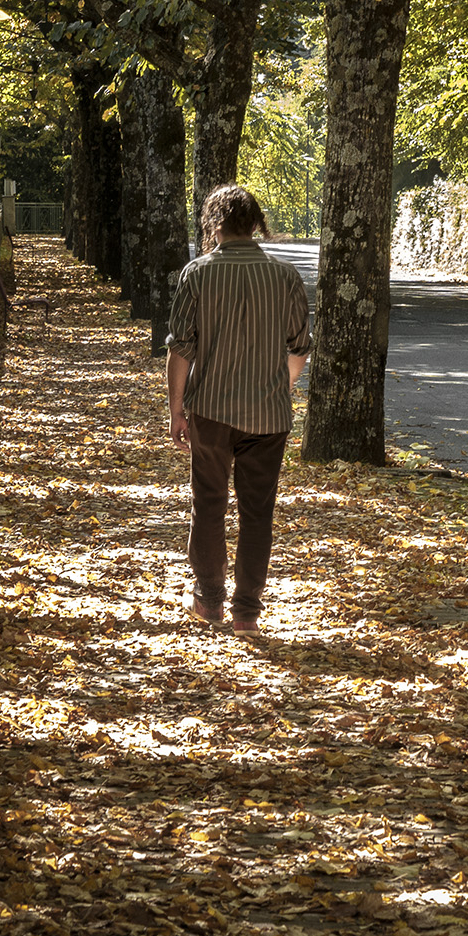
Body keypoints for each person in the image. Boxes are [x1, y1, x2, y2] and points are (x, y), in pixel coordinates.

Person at [165, 185, 311, 633]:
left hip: (209, 409)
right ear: (255, 224)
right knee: (257, 511)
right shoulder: (285, 276)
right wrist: (278, 388)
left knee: (208, 504)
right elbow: (299, 347)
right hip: (268, 416)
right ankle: (246, 612)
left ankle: (209, 599)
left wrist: (176, 410)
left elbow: (180, 351)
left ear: (215, 224)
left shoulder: (198, 274)